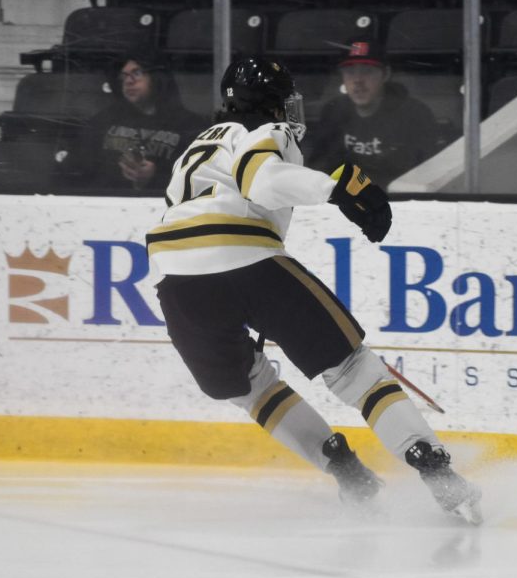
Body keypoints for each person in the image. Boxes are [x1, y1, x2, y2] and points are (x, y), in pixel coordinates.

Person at [144, 56, 482, 524]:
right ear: (271, 102)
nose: (291, 109)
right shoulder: (266, 130)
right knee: (353, 371)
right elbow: (261, 181)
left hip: (175, 278)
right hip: (245, 260)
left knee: (250, 388)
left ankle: (344, 468)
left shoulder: (197, 146)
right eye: (286, 99)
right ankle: (431, 462)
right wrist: (336, 188)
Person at [303, 41, 448, 188]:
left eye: (367, 71)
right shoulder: (334, 111)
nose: (357, 80)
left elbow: (427, 175)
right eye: (350, 72)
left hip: (398, 203)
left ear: (385, 74)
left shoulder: (414, 115)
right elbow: (320, 167)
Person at [58, 50, 205, 192]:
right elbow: (74, 171)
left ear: (157, 78)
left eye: (137, 73)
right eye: (124, 76)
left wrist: (156, 176)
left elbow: (201, 180)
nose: (128, 81)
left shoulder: (189, 125)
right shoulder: (103, 121)